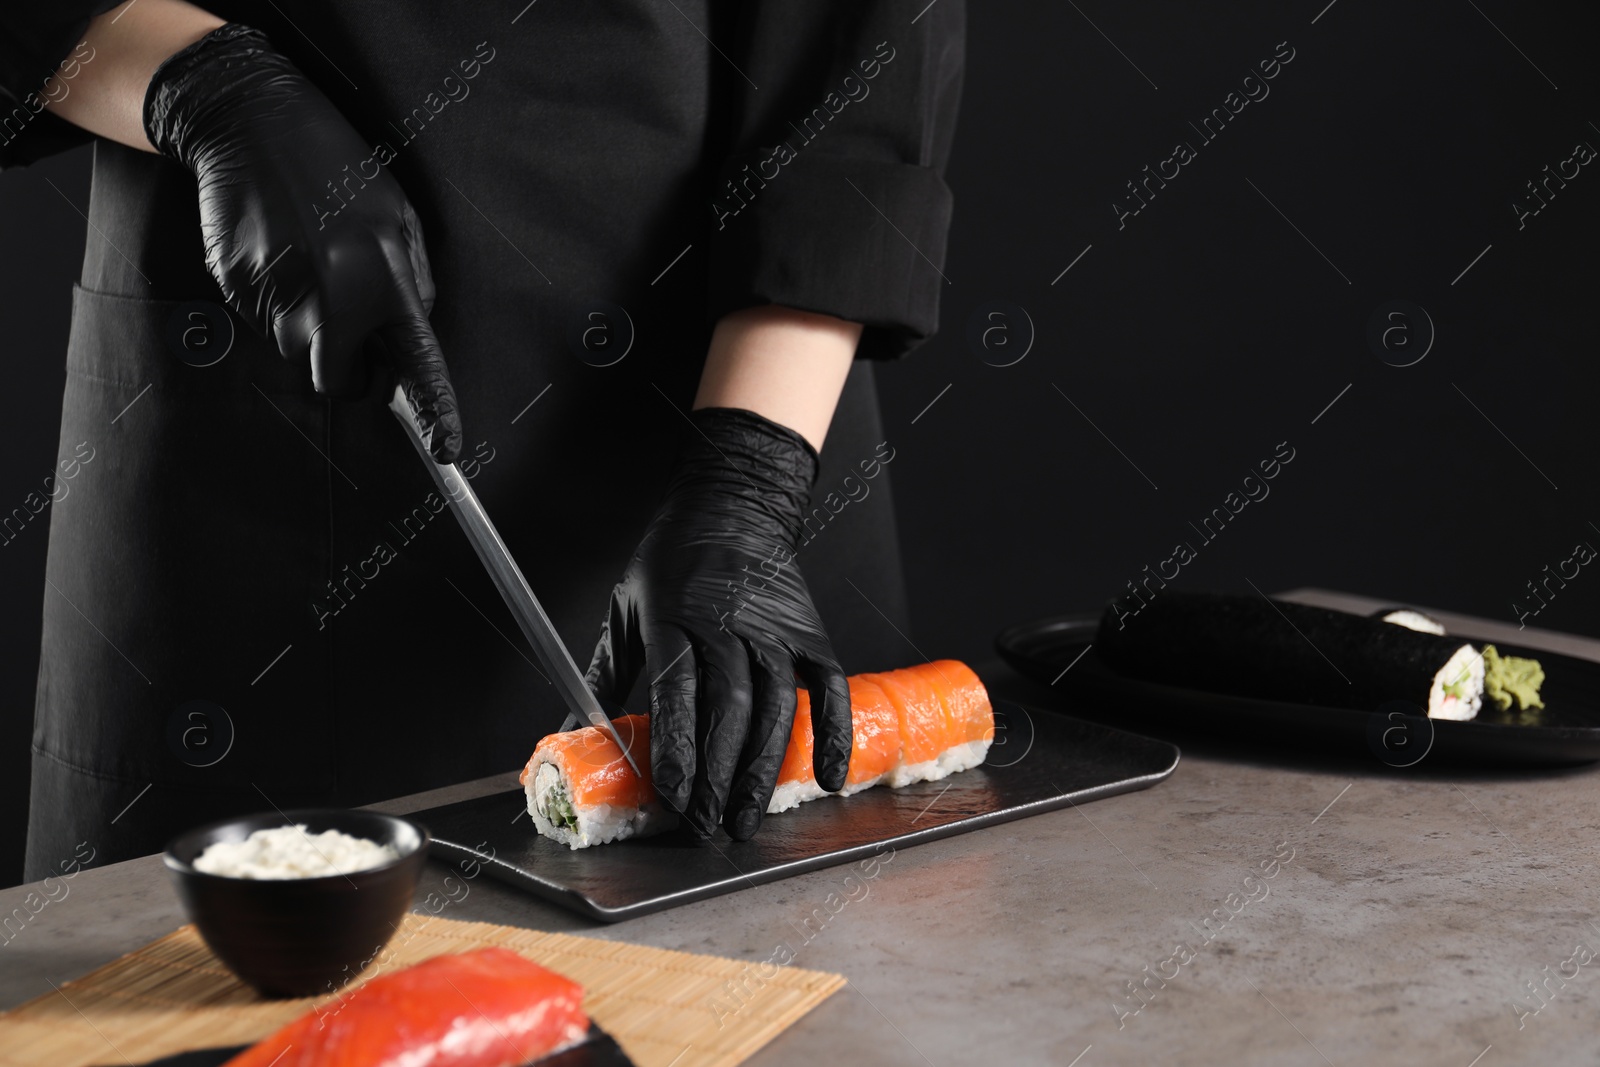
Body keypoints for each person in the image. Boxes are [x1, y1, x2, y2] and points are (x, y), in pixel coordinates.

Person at [1, 0, 964, 880]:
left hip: (739, 411)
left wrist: (752, 474)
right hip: (257, 443)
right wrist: (195, 83)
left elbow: (866, 41)